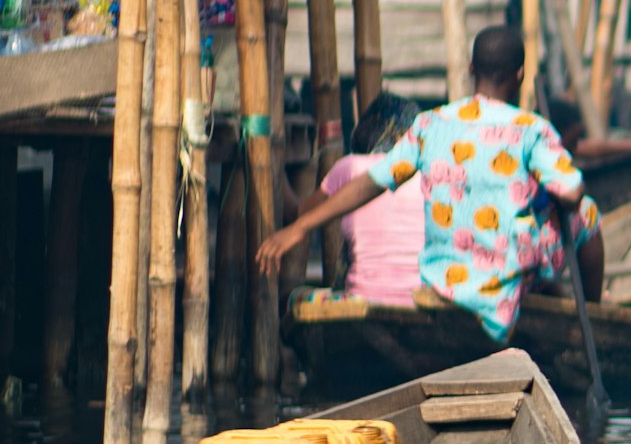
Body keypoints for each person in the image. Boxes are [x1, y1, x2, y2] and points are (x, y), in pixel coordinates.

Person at [259, 23, 604, 335]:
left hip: (443, 280)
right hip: (504, 280)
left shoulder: (429, 124)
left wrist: (301, 227)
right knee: (586, 213)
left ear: (471, 70)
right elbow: (571, 193)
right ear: (519, 76)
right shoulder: (531, 129)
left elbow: (371, 183)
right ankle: (593, 314)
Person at [315, 93, 430, 304]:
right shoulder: (431, 174)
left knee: (292, 298)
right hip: (421, 297)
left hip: (362, 298)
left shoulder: (350, 167)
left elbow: (298, 212)